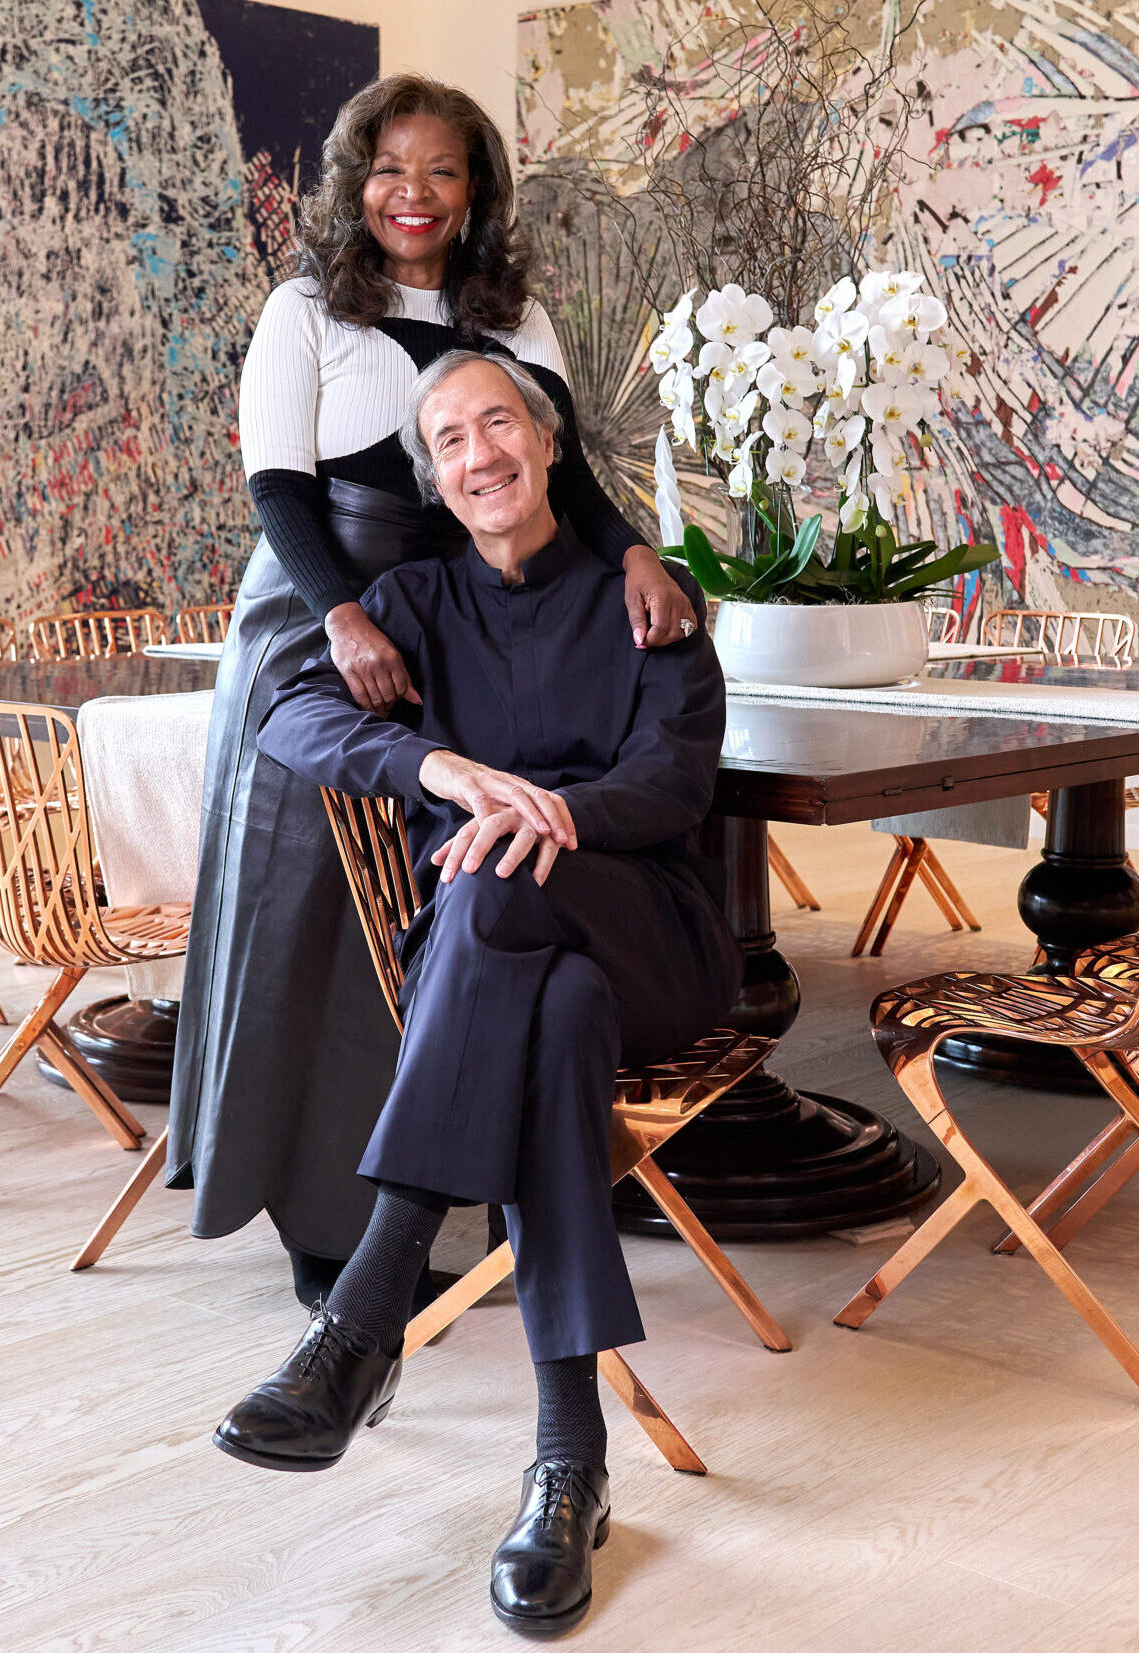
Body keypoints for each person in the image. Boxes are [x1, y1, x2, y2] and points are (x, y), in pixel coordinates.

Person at [213, 351, 741, 1636]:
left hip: (653, 938)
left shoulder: (643, 601)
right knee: (541, 997)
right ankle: (570, 1465)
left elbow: (675, 778)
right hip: (524, 972)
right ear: (434, 479)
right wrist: (440, 766)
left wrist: (552, 810)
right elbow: (287, 713)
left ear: (549, 444)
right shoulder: (413, 601)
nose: (477, 453)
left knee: (503, 884)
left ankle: (370, 1307)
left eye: (496, 423)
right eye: (446, 440)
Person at [168, 73, 699, 1309]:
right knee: (323, 914)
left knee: (439, 906)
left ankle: (459, 1200)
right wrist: (344, 618)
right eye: (391, 168)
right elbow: (279, 492)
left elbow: (564, 474)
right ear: (357, 184)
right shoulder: (304, 310)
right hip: (321, 617)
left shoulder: (517, 321)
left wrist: (632, 551)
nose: (415, 193)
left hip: (455, 625)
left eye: (444, 171)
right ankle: (321, 1223)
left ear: (476, 193)